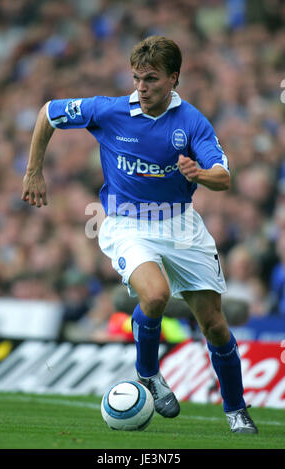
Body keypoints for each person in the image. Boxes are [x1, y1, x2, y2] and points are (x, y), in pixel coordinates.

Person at [21, 35, 257, 434]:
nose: (142, 87)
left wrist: (200, 174)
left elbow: (224, 177)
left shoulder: (192, 122)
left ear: (173, 78)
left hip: (181, 225)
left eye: (151, 79)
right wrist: (33, 170)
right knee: (156, 294)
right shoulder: (110, 111)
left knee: (214, 323)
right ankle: (148, 374)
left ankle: (236, 409)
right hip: (126, 222)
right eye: (136, 79)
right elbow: (48, 112)